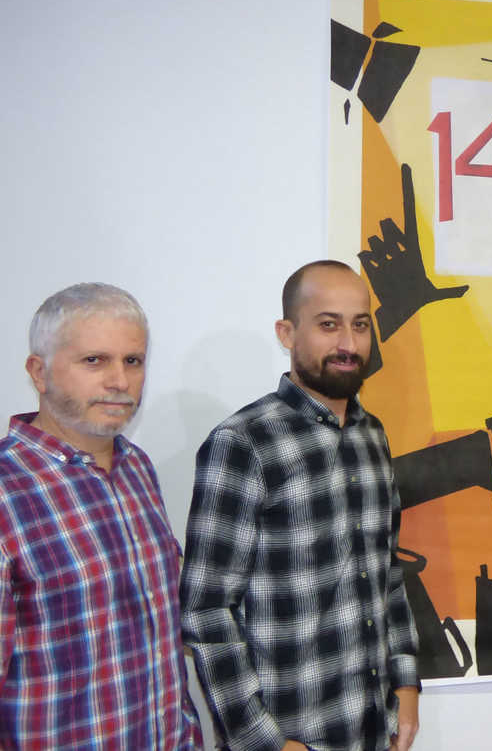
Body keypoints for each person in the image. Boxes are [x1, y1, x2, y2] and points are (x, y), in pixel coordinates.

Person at [180, 260, 419, 751]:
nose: (348, 344)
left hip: (373, 729)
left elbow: (388, 573)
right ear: (286, 333)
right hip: (292, 736)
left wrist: (407, 684)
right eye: (328, 325)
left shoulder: (373, 436)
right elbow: (206, 610)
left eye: (360, 325)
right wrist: (263, 740)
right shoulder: (243, 443)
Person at [0, 283, 203, 749]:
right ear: (39, 372)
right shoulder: (8, 491)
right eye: (94, 360)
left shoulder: (136, 467)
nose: (120, 381)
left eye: (133, 361)